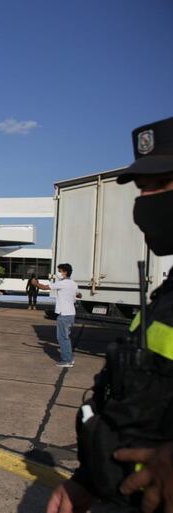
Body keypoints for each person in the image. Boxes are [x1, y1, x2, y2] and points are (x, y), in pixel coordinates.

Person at [47, 116, 173, 513]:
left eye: (163, 184)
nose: (149, 201)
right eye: (144, 188)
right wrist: (88, 481)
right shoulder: (166, 295)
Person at [35, 263, 80, 367]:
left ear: (65, 272)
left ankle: (66, 360)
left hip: (64, 315)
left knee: (62, 338)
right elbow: (79, 294)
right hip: (71, 314)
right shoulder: (73, 283)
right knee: (66, 337)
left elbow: (45, 287)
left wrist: (35, 283)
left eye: (60, 271)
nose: (58, 273)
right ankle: (70, 358)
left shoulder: (62, 283)